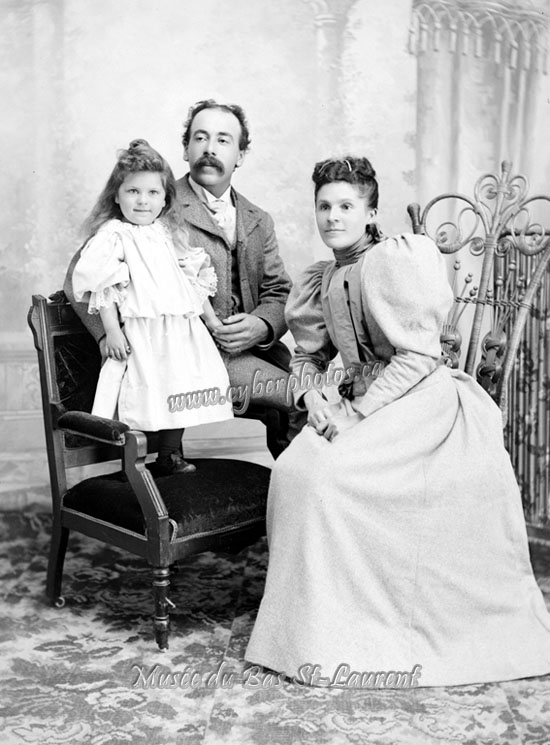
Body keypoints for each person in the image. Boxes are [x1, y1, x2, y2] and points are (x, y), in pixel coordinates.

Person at [245, 156, 550, 687]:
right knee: (294, 471)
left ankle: (375, 624)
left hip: (419, 401)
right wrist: (313, 397)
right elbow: (308, 357)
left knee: (330, 478)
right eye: (324, 206)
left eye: (346, 206)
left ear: (370, 213)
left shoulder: (393, 260)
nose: (333, 217)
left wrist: (359, 415)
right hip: (357, 399)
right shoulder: (321, 278)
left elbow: (417, 358)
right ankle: (320, 629)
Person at [65, 99, 299, 454]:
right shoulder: (154, 203)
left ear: (240, 155)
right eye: (200, 138)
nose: (209, 148)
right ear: (186, 149)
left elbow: (278, 290)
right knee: (301, 396)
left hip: (254, 349)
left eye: (223, 140)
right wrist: (108, 335)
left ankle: (294, 481)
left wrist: (262, 326)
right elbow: (81, 278)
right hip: (189, 352)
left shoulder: (258, 219)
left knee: (322, 391)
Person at [71, 139, 233, 476]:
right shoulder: (114, 235)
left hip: (179, 332)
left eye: (152, 193)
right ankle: (134, 465)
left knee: (181, 389)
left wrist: (213, 322)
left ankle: (169, 455)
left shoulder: (168, 233)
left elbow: (191, 283)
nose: (143, 201)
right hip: (142, 332)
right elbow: (105, 287)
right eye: (133, 192)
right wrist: (111, 331)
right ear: (117, 196)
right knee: (141, 394)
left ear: (164, 199)